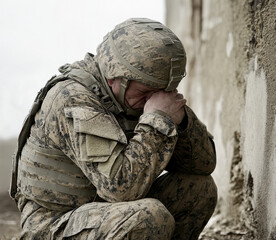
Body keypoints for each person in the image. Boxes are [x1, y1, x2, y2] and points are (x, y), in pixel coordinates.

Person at [10, 18, 217, 239]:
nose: (154, 100)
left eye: (164, 92)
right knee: (148, 217)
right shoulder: (73, 99)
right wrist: (157, 121)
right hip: (55, 224)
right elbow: (120, 188)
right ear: (114, 78)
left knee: (199, 189)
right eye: (146, 93)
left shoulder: (131, 96)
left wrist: (180, 118)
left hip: (106, 212)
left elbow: (203, 165)